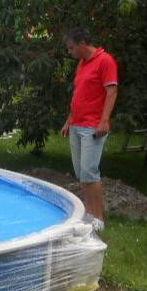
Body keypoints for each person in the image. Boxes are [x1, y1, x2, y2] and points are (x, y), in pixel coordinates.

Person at [61, 28, 118, 231]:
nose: (70, 52)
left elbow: (111, 92)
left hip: (92, 126)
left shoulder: (105, 61)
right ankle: (89, 213)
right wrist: (69, 120)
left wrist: (104, 121)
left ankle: (99, 218)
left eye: (71, 48)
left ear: (82, 44)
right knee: (81, 173)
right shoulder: (82, 64)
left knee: (89, 172)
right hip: (77, 124)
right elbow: (79, 94)